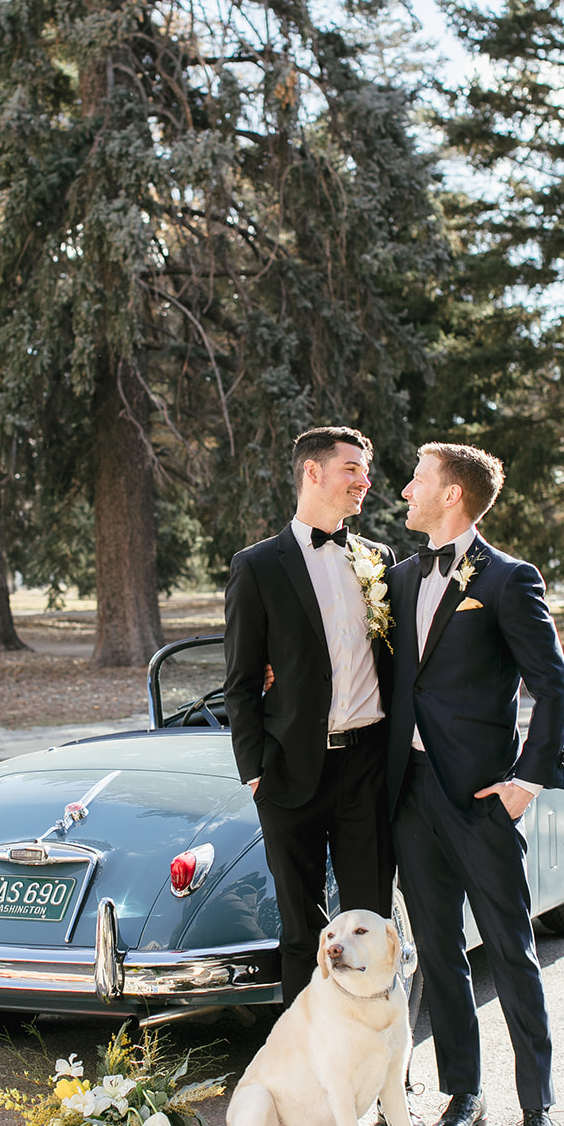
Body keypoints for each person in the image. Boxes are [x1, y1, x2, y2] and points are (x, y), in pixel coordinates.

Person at [384, 442, 564, 1126]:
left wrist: (525, 783)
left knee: (511, 952)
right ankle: (463, 1094)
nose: (406, 490)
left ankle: (538, 1109)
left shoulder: (507, 579)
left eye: (418, 480)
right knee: (438, 952)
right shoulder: (400, 578)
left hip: (481, 798)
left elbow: (550, 686)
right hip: (410, 795)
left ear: (452, 494)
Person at [223, 425, 395, 1009]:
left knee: (371, 926)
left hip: (367, 769)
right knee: (302, 932)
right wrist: (254, 771)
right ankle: (309, 1054)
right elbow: (242, 681)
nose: (364, 480)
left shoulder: (378, 560)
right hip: (289, 772)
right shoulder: (256, 567)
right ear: (312, 472)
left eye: (365, 470)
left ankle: (376, 1056)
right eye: (352, 469)